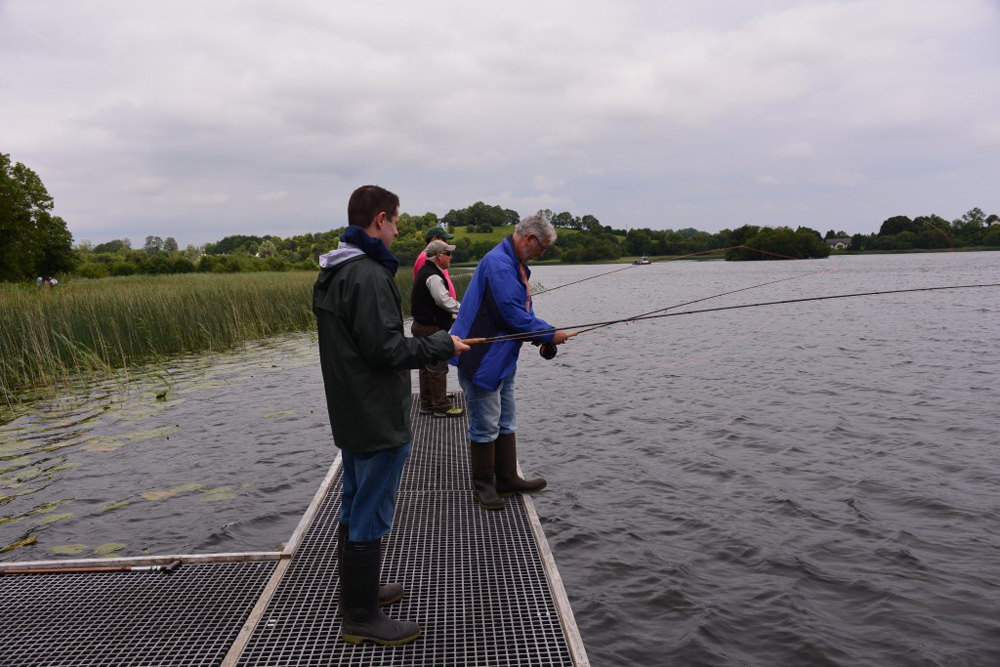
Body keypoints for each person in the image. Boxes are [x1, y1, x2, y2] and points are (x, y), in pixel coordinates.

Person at [313, 185, 470, 646]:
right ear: (379, 219)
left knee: (354, 498)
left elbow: (364, 346)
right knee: (372, 508)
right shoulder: (367, 274)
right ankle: (361, 616)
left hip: (350, 410)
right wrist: (443, 344)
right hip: (376, 413)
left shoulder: (335, 268)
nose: (399, 229)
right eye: (397, 220)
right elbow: (385, 349)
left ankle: (354, 594)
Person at [449, 214, 575, 510]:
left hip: (502, 357)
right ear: (529, 239)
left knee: (505, 419)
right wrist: (549, 334)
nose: (541, 254)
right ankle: (483, 487)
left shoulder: (511, 262)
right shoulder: (499, 264)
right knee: (485, 425)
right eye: (542, 248)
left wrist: (543, 335)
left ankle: (506, 479)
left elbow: (515, 315)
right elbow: (512, 315)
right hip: (482, 359)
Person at [410, 239, 463, 418]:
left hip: (421, 326)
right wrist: (463, 309)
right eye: (448, 254)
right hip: (430, 329)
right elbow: (443, 300)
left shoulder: (426, 271)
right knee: (438, 368)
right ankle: (441, 407)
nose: (451, 257)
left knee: (426, 368)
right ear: (439, 256)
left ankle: (427, 405)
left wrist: (452, 314)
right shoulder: (433, 276)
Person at [412, 225, 457, 300]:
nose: (446, 243)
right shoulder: (425, 257)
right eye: (444, 240)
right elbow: (424, 288)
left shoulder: (438, 258)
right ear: (434, 239)